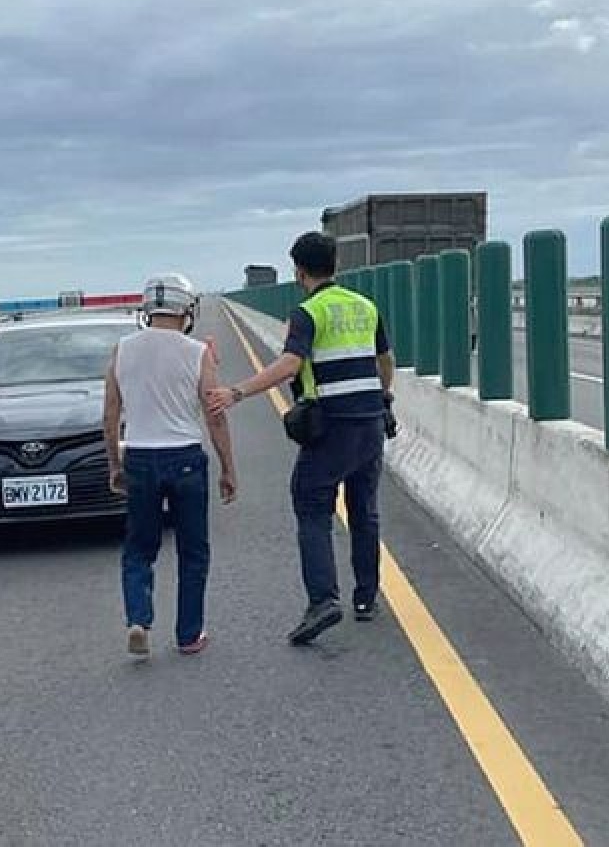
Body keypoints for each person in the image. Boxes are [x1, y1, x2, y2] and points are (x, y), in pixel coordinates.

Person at [208, 233, 396, 645]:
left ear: (299, 271)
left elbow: (290, 365)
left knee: (311, 507)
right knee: (364, 509)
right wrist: (385, 400)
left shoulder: (308, 312)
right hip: (369, 422)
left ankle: (323, 601)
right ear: (336, 265)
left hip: (331, 424)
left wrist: (238, 391)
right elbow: (385, 359)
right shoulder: (365, 306)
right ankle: (366, 598)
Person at [105, 274, 237, 659]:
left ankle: (138, 619)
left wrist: (116, 464)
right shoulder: (197, 353)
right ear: (187, 309)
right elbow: (215, 416)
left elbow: (110, 415)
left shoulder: (122, 350)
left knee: (139, 548)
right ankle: (189, 634)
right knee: (193, 551)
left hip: (141, 457)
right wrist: (228, 468)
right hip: (185, 459)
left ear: (147, 310)